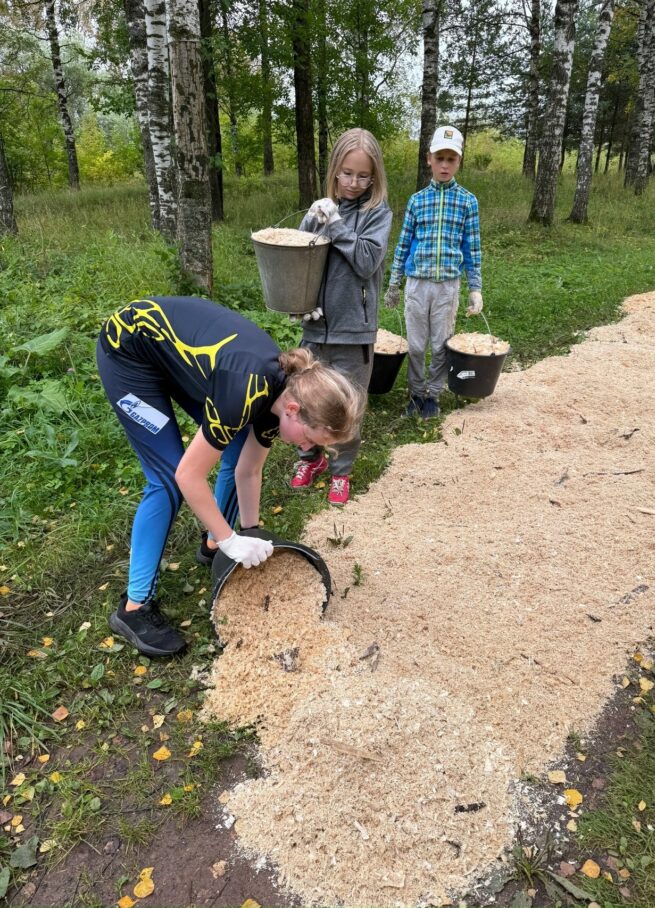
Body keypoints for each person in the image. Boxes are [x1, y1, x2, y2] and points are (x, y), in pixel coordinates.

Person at [97, 296, 365, 657]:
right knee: (166, 480)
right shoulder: (243, 392)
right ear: (294, 411)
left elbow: (249, 469)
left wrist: (250, 533)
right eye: (310, 439)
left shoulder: (281, 398)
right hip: (129, 351)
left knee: (237, 448)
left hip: (175, 359)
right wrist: (231, 539)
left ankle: (211, 545)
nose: (306, 447)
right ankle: (134, 608)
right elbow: (188, 476)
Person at [289, 127, 392, 506]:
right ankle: (309, 458)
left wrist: (337, 226)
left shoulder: (377, 214)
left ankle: (341, 471)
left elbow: (366, 261)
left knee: (347, 403)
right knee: (304, 396)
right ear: (335, 170)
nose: (353, 182)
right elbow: (301, 255)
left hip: (354, 330)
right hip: (316, 326)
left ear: (374, 176)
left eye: (363, 175)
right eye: (347, 173)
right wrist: (312, 221)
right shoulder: (322, 209)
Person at [384, 125, 483, 419]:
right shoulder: (417, 200)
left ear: (459, 162)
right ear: (429, 159)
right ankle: (415, 394)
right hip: (417, 285)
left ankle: (433, 395)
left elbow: (472, 247)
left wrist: (475, 287)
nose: (444, 165)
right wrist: (394, 283)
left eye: (451, 159)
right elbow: (403, 244)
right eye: (439, 158)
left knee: (441, 344)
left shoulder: (467, 201)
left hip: (447, 287)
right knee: (415, 345)